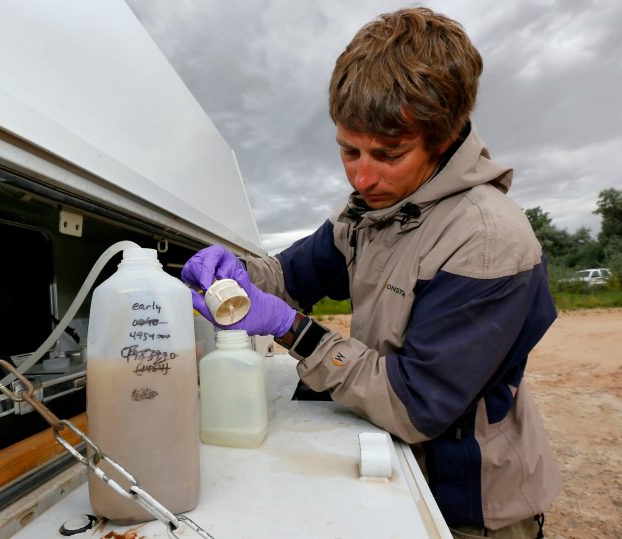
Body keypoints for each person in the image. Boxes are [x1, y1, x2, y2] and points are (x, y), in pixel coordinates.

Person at [182, 7, 560, 538]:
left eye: (388, 153)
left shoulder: (486, 238)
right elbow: (288, 278)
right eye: (348, 149)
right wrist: (233, 272)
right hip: (395, 475)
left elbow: (414, 405)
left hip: (472, 507)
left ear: (444, 137)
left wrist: (292, 329)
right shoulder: (367, 213)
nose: (361, 176)